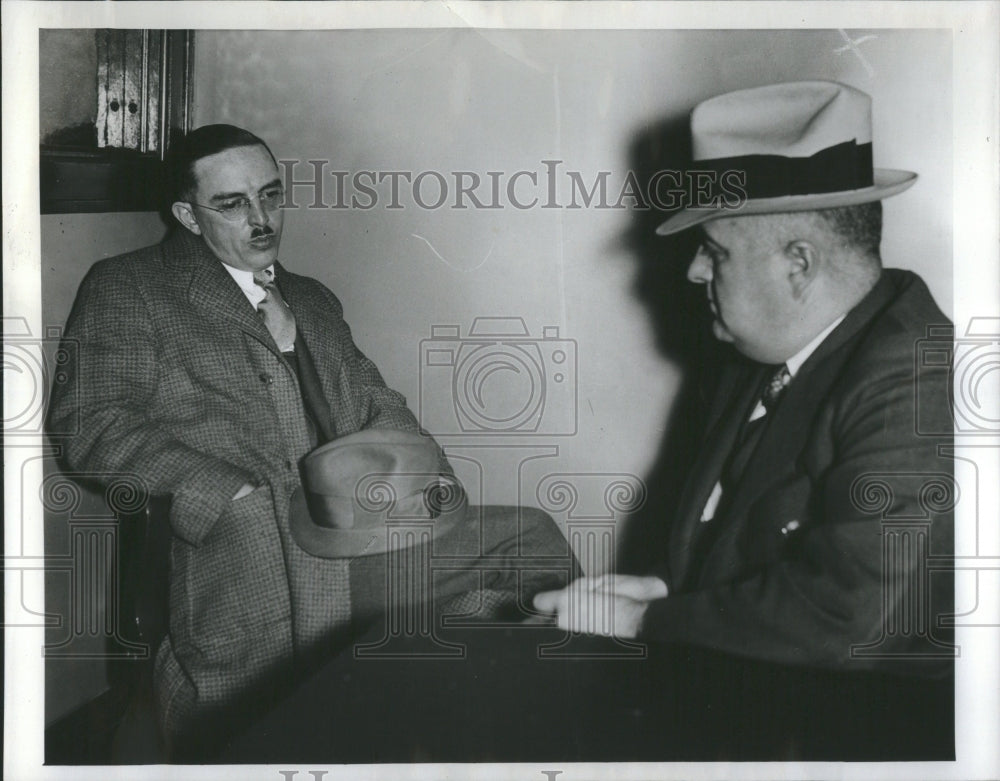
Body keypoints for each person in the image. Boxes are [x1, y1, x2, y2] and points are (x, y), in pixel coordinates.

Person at [48, 124, 573, 754]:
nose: (261, 218)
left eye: (270, 195)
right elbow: (93, 423)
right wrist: (223, 493)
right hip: (247, 542)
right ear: (188, 216)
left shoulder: (313, 299)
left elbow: (380, 402)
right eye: (233, 203)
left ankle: (544, 734)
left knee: (528, 540)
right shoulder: (130, 287)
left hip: (360, 532)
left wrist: (430, 484)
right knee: (294, 714)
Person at [534, 81, 954, 753]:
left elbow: (848, 614)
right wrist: (669, 589)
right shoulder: (764, 348)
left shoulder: (917, 377)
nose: (696, 272)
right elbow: (764, 547)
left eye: (717, 250)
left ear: (799, 264)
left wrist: (645, 618)